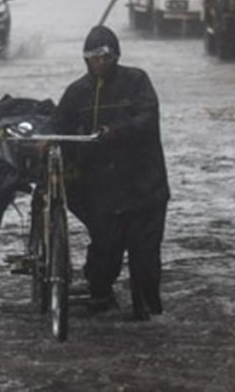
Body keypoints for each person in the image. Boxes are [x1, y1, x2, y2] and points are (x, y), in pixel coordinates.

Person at [54, 25, 170, 321]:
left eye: (106, 56)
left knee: (145, 253)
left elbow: (146, 118)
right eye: (94, 57)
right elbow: (60, 129)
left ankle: (147, 308)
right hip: (102, 189)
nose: (101, 62)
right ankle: (101, 295)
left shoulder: (137, 82)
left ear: (116, 56)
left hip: (145, 186)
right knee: (105, 245)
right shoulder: (76, 93)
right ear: (86, 59)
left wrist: (113, 132)